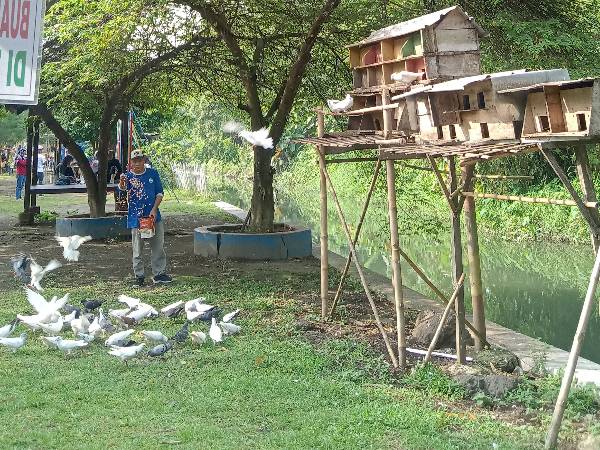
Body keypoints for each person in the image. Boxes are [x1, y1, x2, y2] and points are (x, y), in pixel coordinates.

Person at [119, 148, 172, 286]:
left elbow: (159, 193)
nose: (137, 163)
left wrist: (154, 210)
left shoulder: (153, 174)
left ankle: (159, 274)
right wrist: (122, 182)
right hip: (136, 219)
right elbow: (123, 190)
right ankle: (139, 276)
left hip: (153, 217)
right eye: (134, 161)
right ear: (131, 162)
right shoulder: (128, 176)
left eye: (140, 160)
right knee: (137, 249)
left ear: (144, 160)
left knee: (158, 247)